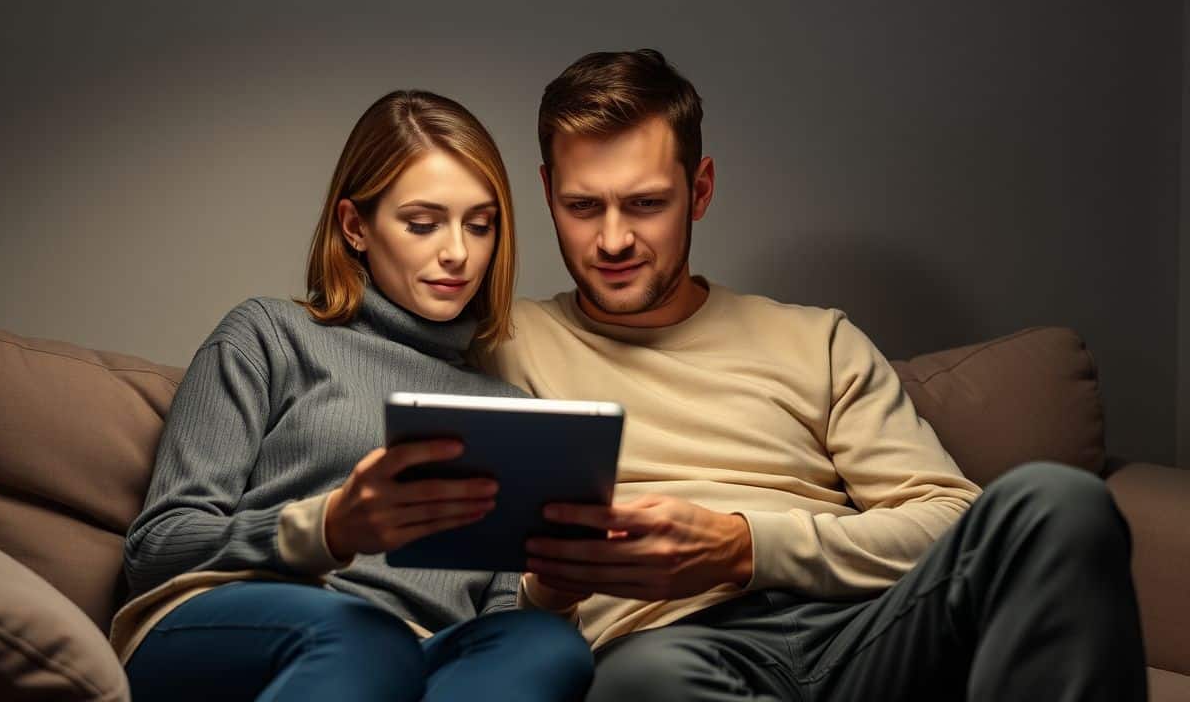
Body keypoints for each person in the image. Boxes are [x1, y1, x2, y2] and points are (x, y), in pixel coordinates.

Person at [484, 49, 1147, 701]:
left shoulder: (816, 339)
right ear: (546, 192)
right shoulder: (507, 346)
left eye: (646, 203)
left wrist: (745, 546)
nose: (613, 240)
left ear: (701, 190)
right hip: (668, 652)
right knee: (648, 684)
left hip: (858, 632)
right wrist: (552, 592)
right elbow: (476, 602)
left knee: (1062, 502)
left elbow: (949, 519)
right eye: (582, 207)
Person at [112, 90, 594, 701]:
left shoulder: (507, 409)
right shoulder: (267, 336)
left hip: (421, 655)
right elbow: (157, 546)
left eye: (481, 224)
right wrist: (330, 527)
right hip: (239, 625)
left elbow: (501, 621)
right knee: (365, 638)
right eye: (423, 223)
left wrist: (551, 593)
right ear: (355, 226)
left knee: (550, 647)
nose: (458, 252)